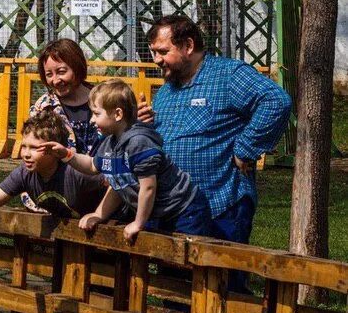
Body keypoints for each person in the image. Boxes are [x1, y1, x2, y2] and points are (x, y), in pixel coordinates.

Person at [138, 14, 291, 249]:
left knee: (223, 280)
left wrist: (245, 149)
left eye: (162, 51)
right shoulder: (169, 89)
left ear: (188, 45)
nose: (157, 60)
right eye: (154, 53)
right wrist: (147, 126)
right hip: (175, 208)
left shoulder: (228, 74)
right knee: (176, 282)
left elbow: (275, 101)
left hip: (220, 205)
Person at [40, 79, 212, 242]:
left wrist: (138, 222)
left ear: (117, 114)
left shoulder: (138, 143)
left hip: (183, 210)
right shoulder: (110, 143)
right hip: (156, 212)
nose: (92, 120)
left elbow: (149, 187)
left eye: (96, 113)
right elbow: (99, 170)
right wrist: (66, 155)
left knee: (185, 264)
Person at [0, 107, 106, 256]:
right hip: (74, 232)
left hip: (112, 224)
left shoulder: (75, 172)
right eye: (24, 146)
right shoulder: (24, 173)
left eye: (34, 148)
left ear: (54, 149)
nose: (26, 154)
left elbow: (116, 185)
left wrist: (99, 214)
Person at [32, 39, 101, 154]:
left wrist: (138, 121)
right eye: (49, 74)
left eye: (61, 72)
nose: (55, 80)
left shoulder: (104, 99)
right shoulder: (43, 107)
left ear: (77, 67)